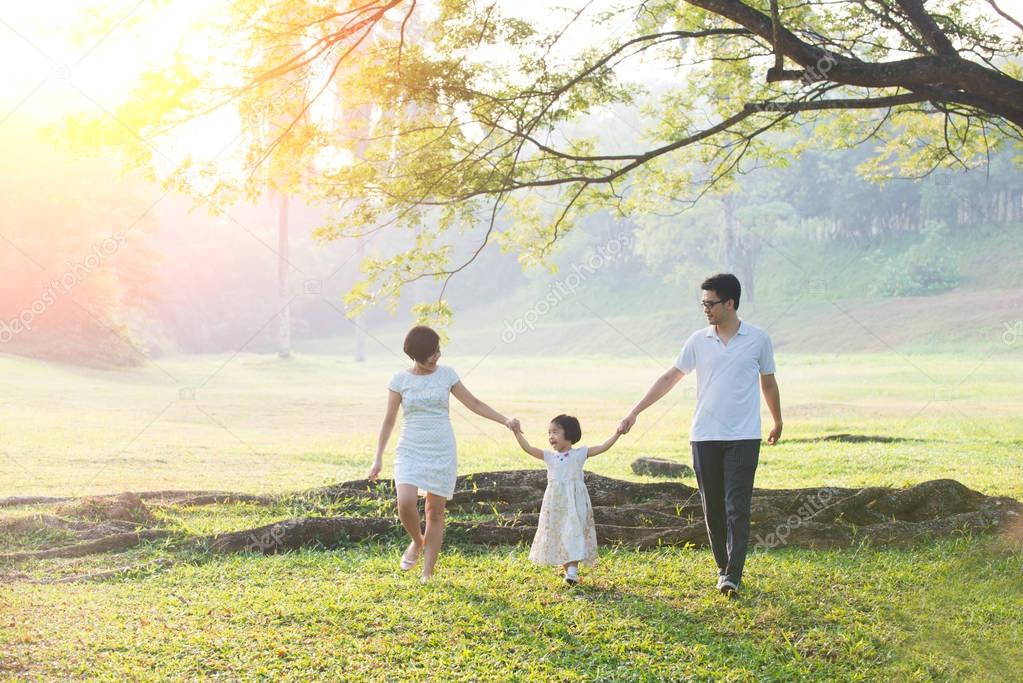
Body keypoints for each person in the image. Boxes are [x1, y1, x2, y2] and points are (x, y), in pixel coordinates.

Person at [618, 274, 782, 599]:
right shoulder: (697, 340)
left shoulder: (758, 339)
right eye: (703, 303)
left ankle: (733, 574)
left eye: (710, 303)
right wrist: (635, 411)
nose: (705, 309)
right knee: (713, 509)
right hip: (704, 436)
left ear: (730, 303)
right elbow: (670, 377)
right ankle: (723, 568)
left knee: (738, 507)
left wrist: (777, 421)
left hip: (744, 436)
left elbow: (768, 382)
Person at [368, 325, 520, 582]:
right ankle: (417, 541)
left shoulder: (447, 374)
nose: (436, 357)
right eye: (430, 354)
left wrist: (505, 420)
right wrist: (378, 457)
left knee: (435, 511)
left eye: (437, 351)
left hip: (441, 448)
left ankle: (427, 572)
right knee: (404, 502)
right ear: (414, 355)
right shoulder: (399, 380)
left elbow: (474, 403)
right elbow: (389, 420)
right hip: (411, 447)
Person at [513, 414, 623, 585]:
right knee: (560, 532)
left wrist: (617, 432)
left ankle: (572, 570)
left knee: (573, 531)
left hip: (575, 502)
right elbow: (528, 448)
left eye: (555, 432)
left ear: (569, 433)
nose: (551, 437)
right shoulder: (549, 456)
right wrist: (516, 432)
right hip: (555, 503)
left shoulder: (579, 454)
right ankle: (568, 570)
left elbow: (603, 447)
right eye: (549, 433)